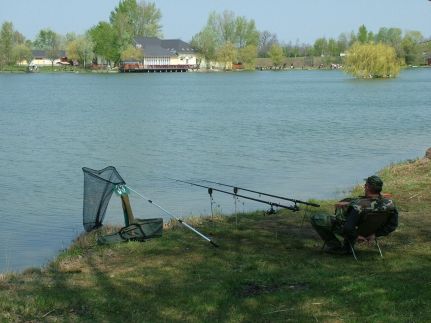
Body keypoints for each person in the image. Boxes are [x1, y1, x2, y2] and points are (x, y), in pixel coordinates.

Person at [310, 175, 398, 255]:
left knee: (317, 218)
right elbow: (393, 225)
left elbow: (348, 228)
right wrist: (375, 234)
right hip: (371, 232)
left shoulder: (359, 206)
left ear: (367, 187)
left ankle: (336, 247)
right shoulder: (390, 204)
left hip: (356, 232)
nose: (364, 186)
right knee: (351, 222)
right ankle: (348, 247)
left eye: (365, 184)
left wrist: (357, 236)